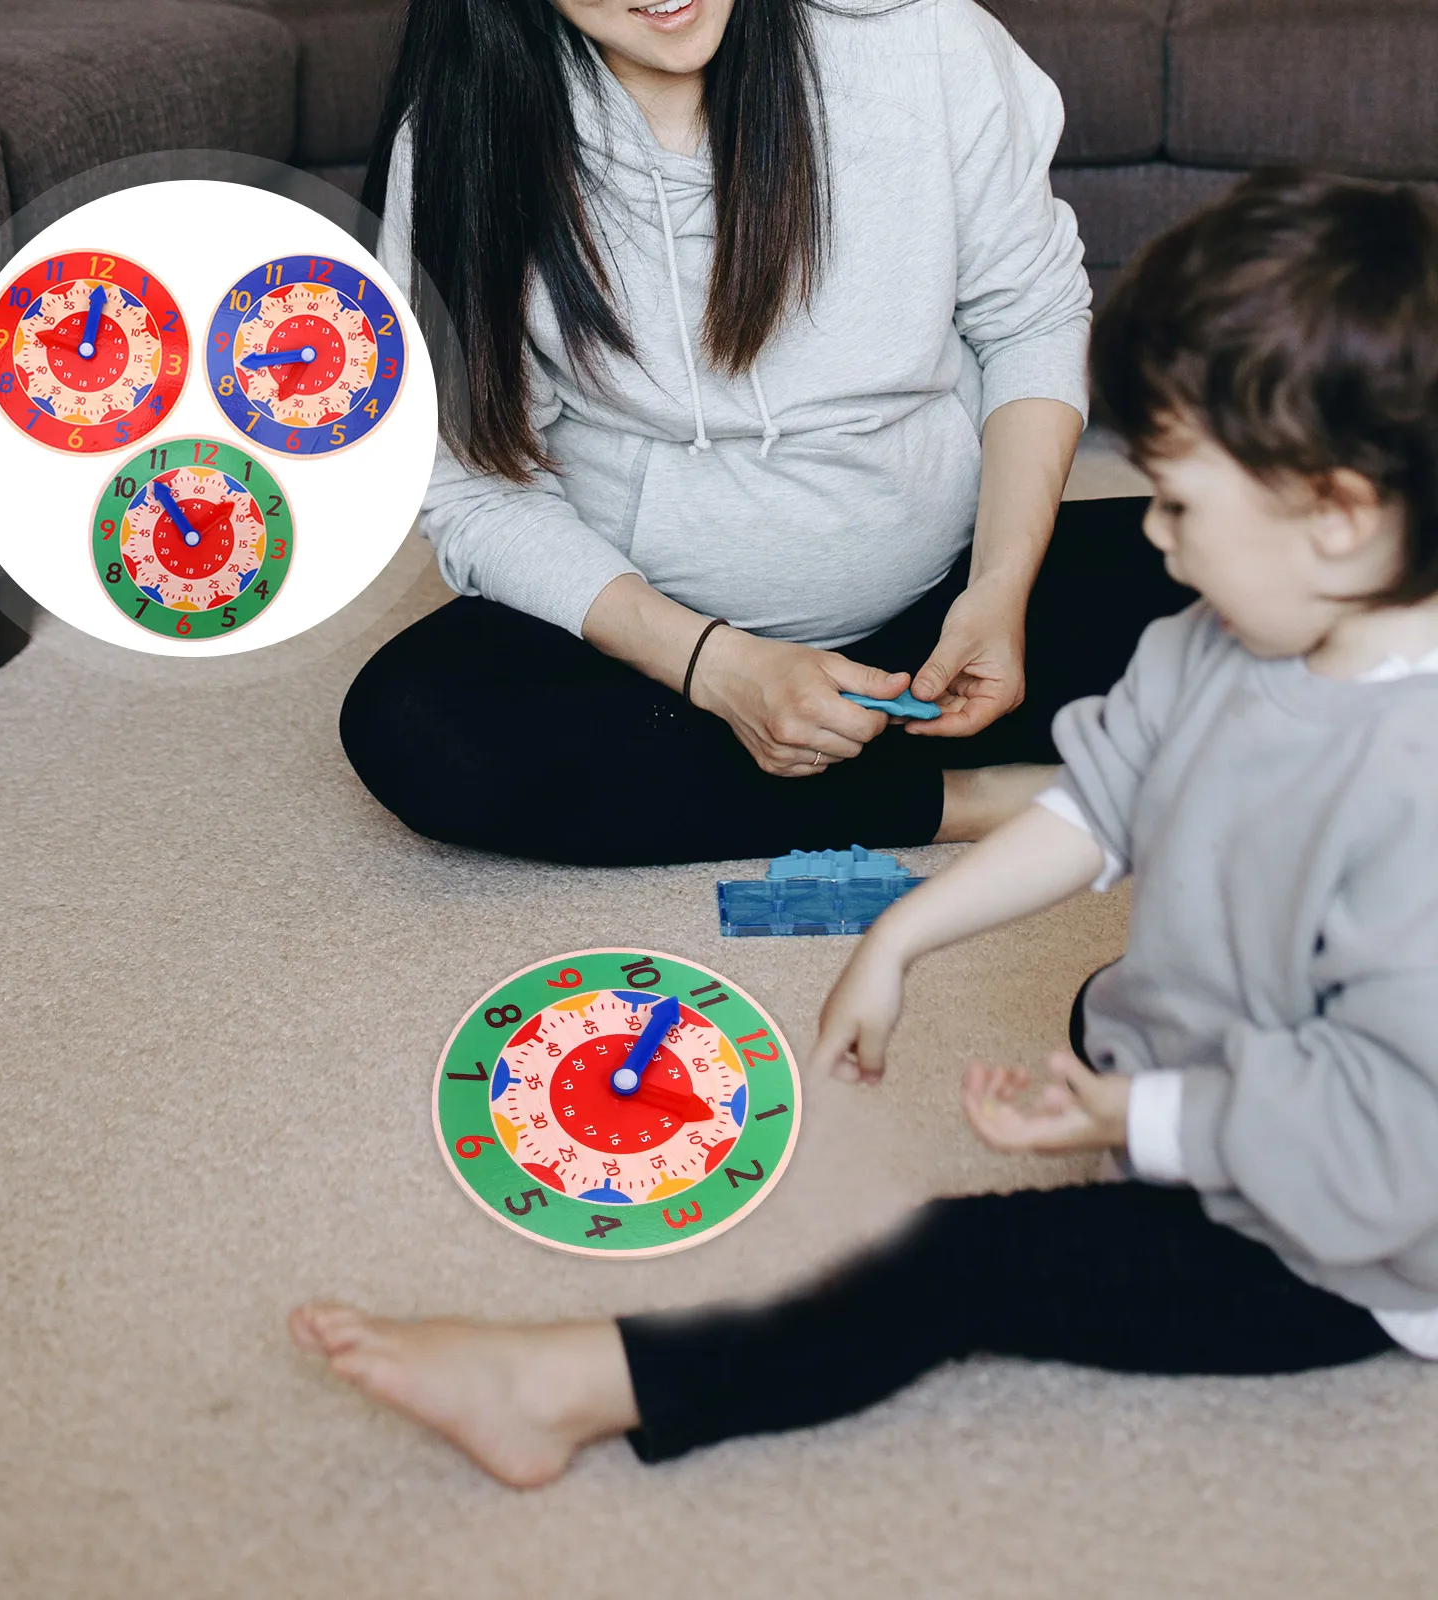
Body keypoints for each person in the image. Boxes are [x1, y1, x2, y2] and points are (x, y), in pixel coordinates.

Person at [291, 170, 1438, 1483]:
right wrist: (903, 935)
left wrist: (1149, 1116)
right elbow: (1105, 801)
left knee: (952, 1265)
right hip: (1245, 1064)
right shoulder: (1217, 638)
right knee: (1102, 1010)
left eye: (1179, 503)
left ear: (1341, 517)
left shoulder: (1415, 803)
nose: (1158, 539)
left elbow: (1387, 1139)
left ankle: (565, 1388)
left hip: (1353, 1232)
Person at [338, 0, 1196, 866]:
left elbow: (1031, 320)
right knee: (419, 725)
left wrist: (1000, 590)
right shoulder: (463, 127)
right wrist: (717, 669)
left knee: (1276, 585)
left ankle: (778, 777)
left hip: (949, 610)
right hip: (658, 659)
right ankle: (963, 797)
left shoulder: (927, 36)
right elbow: (476, 482)